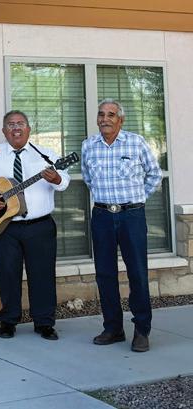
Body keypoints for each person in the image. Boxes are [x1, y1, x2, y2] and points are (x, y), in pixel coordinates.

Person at [0, 110, 70, 341]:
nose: (16, 128)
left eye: (21, 123)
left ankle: (44, 322)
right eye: (10, 124)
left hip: (40, 226)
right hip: (7, 227)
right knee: (8, 274)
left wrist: (58, 179)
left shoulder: (45, 155)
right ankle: (8, 321)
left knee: (42, 275)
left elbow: (65, 181)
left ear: (29, 129)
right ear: (4, 131)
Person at [82, 99, 162, 352]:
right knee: (105, 274)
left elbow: (155, 174)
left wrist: (138, 200)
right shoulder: (88, 146)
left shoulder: (136, 142)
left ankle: (142, 330)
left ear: (121, 119)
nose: (105, 119)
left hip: (132, 216)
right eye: (101, 114)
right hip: (102, 216)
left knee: (137, 273)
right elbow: (88, 178)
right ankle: (113, 328)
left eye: (111, 115)